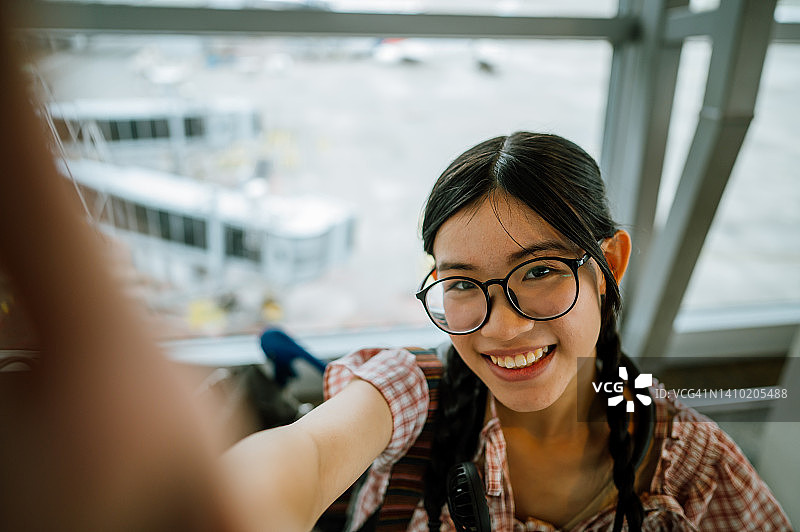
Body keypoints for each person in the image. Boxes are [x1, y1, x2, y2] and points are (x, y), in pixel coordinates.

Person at [226, 132, 792, 531]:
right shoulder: (413, 391)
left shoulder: (687, 458)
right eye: (463, 284)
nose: (502, 326)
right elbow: (310, 457)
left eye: (541, 271)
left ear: (610, 265)